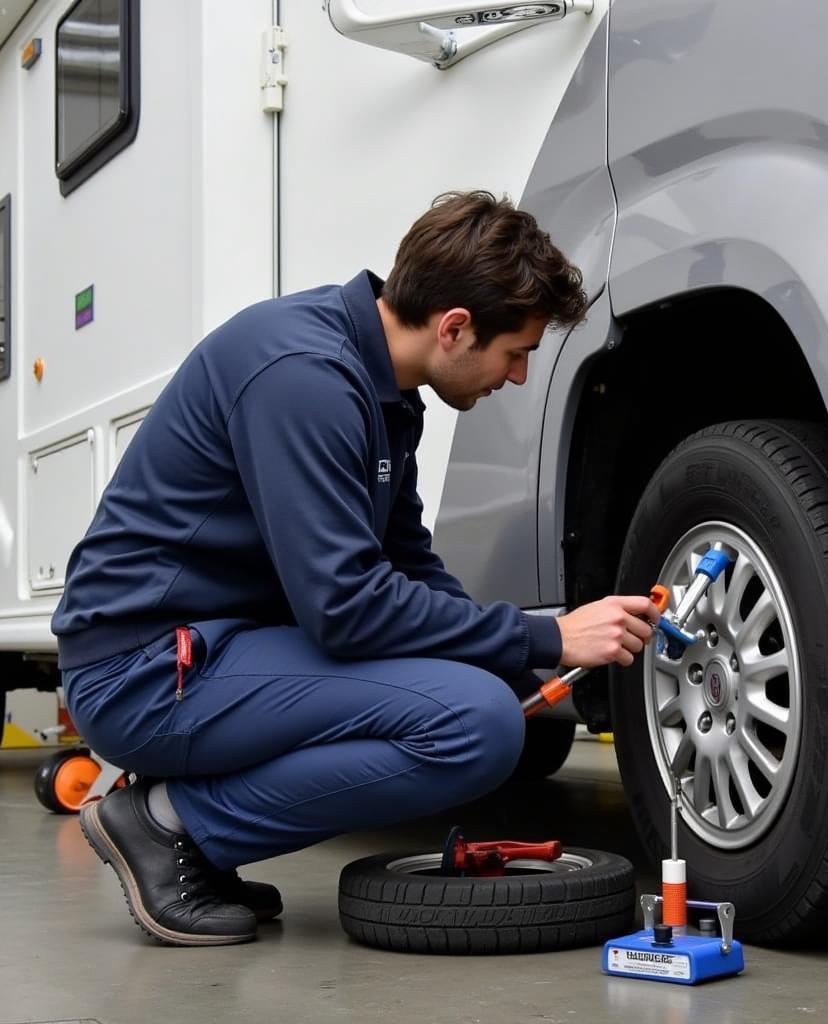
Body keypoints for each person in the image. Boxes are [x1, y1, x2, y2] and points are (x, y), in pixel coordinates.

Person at [52, 191, 661, 947]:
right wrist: (544, 637)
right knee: (476, 724)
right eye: (518, 353)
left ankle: (190, 829)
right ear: (455, 328)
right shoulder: (304, 377)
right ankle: (169, 825)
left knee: (485, 695)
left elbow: (405, 562)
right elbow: (344, 607)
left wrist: (512, 656)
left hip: (218, 646)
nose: (518, 377)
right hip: (143, 670)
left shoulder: (384, 392)